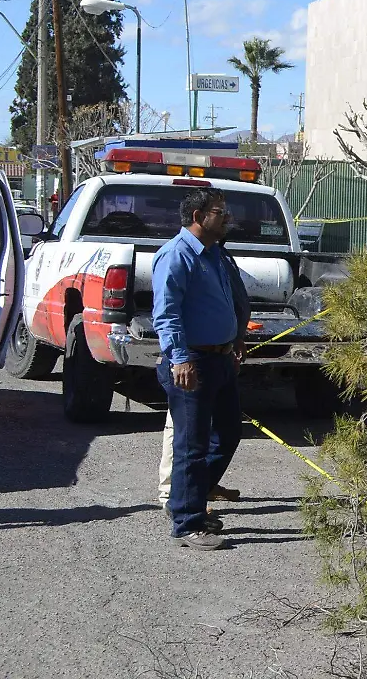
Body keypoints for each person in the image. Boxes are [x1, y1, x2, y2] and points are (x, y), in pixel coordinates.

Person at [152, 188, 251, 549]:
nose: (226, 217)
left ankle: (190, 495)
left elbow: (231, 301)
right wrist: (179, 357)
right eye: (219, 211)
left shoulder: (215, 255)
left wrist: (236, 339)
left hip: (221, 359)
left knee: (227, 434)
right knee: (190, 446)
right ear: (198, 216)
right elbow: (166, 313)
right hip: (192, 362)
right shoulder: (177, 256)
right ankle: (187, 522)